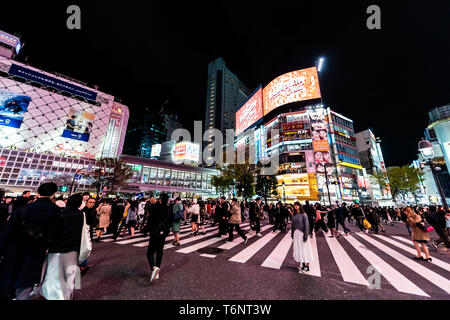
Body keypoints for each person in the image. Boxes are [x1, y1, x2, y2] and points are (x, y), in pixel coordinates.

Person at [0, 182, 61, 300]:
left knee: (9, 277)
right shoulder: (57, 212)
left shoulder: (24, 209)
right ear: (54, 194)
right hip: (38, 250)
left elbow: (8, 231)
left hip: (16, 248)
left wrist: (2, 249)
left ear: (38, 193)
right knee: (26, 282)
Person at [40, 193, 84, 300]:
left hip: (57, 247)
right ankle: (68, 294)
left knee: (53, 272)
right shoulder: (81, 215)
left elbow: (53, 230)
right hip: (73, 248)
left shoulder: (61, 213)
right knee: (70, 273)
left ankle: (50, 293)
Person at [146, 194, 170, 285]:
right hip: (163, 233)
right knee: (160, 251)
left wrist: (146, 230)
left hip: (154, 231)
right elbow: (169, 222)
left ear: (160, 199)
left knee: (150, 252)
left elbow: (150, 219)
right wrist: (166, 231)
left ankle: (153, 267)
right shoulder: (168, 208)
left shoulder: (154, 207)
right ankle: (157, 270)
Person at [291, 202, 313, 273]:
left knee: (305, 249)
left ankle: (307, 266)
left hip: (302, 234)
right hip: (296, 234)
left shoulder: (304, 214)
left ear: (300, 206)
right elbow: (292, 225)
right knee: (299, 249)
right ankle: (303, 265)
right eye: (295, 205)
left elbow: (307, 225)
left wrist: (306, 235)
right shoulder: (294, 214)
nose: (296, 206)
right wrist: (292, 234)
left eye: (297, 205)